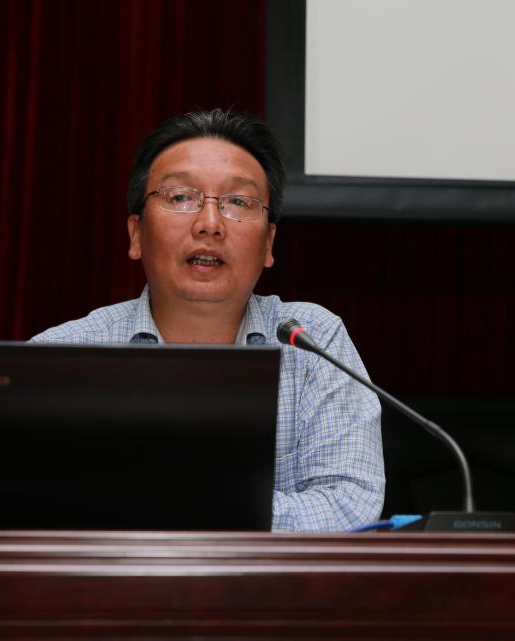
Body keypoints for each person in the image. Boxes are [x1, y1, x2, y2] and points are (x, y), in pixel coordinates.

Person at [31, 109, 385, 531]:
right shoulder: (61, 357)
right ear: (136, 234)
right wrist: (224, 510)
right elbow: (24, 510)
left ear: (269, 243)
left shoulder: (311, 343)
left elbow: (350, 505)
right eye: (181, 197)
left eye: (238, 202)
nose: (210, 224)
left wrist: (170, 506)